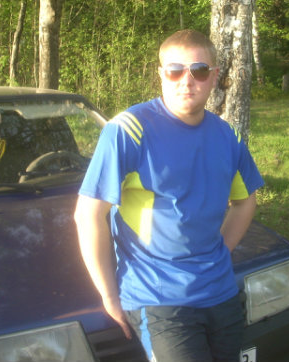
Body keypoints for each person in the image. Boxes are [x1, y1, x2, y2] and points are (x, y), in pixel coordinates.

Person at [74, 29, 264, 362]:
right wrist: (108, 295)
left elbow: (245, 201)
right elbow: (88, 215)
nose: (186, 81)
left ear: (215, 76)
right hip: (159, 298)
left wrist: (222, 249)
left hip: (220, 292)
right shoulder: (129, 130)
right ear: (161, 74)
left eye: (199, 71)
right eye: (175, 70)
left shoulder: (227, 136)